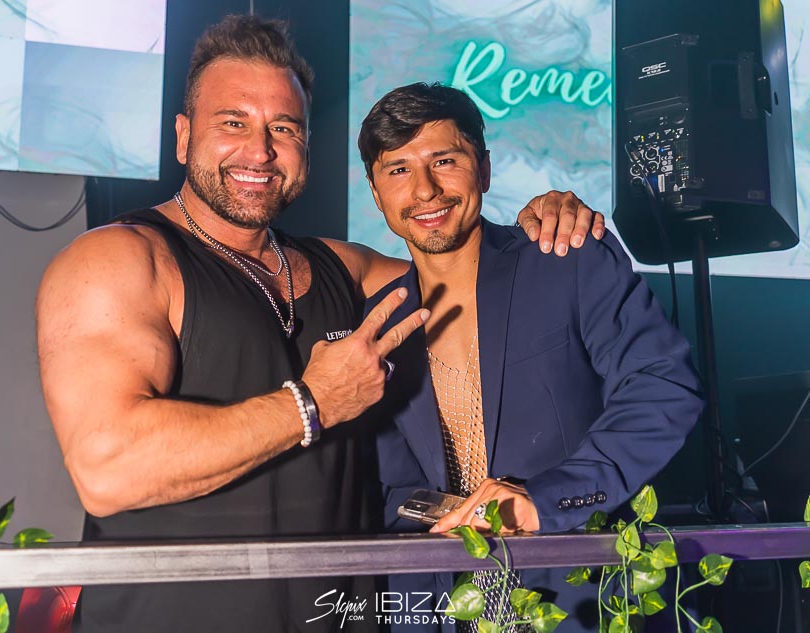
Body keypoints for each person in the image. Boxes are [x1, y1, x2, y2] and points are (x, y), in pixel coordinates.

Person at [36, 16, 604, 633]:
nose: (260, 150)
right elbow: (108, 469)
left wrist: (547, 220)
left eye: (284, 128)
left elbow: (471, 261)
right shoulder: (119, 259)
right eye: (233, 123)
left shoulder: (342, 267)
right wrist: (313, 403)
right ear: (183, 136)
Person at [357, 83, 704, 632]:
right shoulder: (376, 327)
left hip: (583, 602)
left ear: (484, 169)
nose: (425, 189)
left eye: (444, 161)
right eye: (398, 169)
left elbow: (663, 388)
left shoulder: (564, 257)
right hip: (446, 609)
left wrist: (547, 500)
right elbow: (387, 488)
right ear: (376, 194)